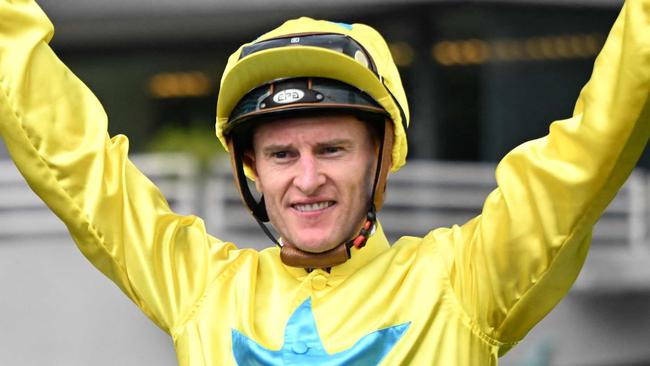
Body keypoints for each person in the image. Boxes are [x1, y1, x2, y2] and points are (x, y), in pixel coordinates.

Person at [0, 0, 648, 365]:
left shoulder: (464, 280)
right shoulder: (201, 287)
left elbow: (591, 148)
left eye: (332, 148)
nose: (307, 180)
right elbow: (77, 162)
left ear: (381, 154)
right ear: (250, 167)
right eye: (281, 154)